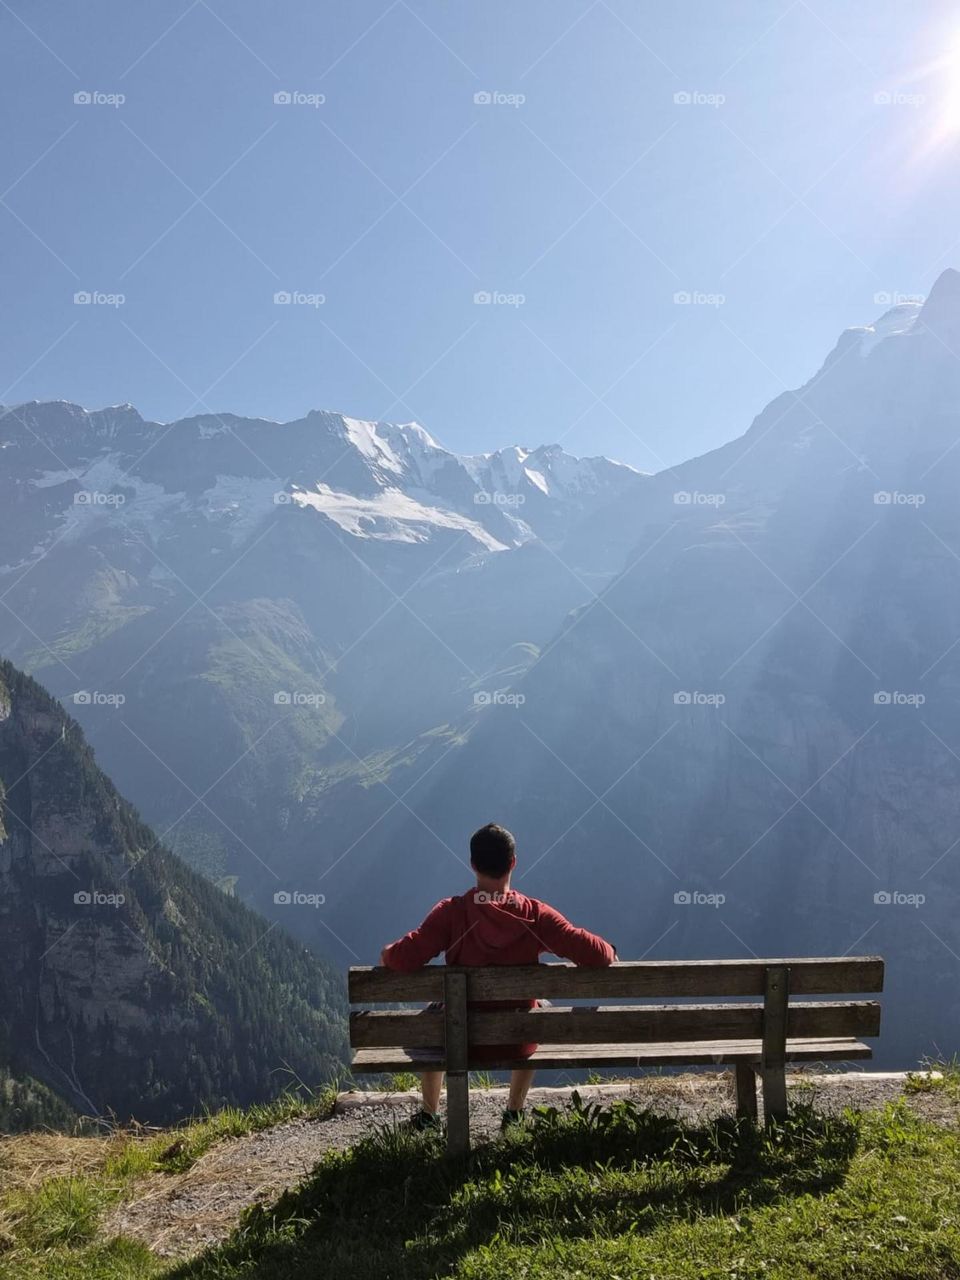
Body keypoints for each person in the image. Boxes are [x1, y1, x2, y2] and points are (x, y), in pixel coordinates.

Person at [380, 822, 616, 1131]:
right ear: (513, 863)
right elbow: (596, 954)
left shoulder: (451, 914)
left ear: (473, 864)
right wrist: (609, 950)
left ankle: (429, 1115)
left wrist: (387, 952)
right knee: (537, 1006)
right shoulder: (536, 915)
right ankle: (514, 1113)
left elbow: (402, 957)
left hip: (460, 1040)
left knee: (435, 1009)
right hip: (518, 1040)